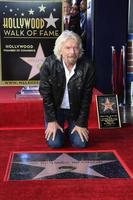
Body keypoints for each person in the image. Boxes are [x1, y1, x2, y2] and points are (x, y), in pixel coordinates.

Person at [39, 30, 95, 148]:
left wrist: (81, 123)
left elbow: (86, 98)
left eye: (75, 48)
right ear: (60, 50)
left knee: (80, 144)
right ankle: (61, 130)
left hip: (75, 111)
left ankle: (70, 129)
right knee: (55, 144)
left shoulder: (87, 66)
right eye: (68, 48)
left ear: (79, 50)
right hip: (55, 110)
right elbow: (46, 95)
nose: (72, 52)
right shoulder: (49, 64)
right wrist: (51, 120)